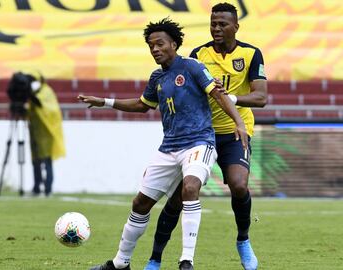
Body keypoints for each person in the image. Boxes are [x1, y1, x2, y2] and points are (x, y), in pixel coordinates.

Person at [78, 17, 248, 270]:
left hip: (199, 142)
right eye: (151, 45)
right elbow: (142, 105)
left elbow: (218, 93)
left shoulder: (192, 67)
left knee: (190, 188)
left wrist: (239, 122)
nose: (155, 49)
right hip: (169, 148)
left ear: (174, 44)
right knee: (140, 203)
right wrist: (105, 101)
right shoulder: (157, 77)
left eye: (160, 44)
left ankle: (186, 261)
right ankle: (120, 263)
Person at [143, 3, 267, 270]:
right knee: (179, 196)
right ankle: (155, 258)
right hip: (199, 135)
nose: (216, 28)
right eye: (213, 24)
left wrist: (228, 97)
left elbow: (261, 97)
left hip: (234, 132)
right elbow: (183, 84)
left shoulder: (251, 54)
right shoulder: (199, 54)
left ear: (236, 26)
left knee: (239, 185)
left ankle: (243, 240)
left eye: (222, 24)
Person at [26, 71, 66, 197]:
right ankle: (37, 187)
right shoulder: (32, 94)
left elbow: (49, 108)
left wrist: (33, 98)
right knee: (35, 161)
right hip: (35, 133)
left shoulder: (46, 92)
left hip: (47, 134)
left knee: (47, 161)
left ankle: (48, 188)